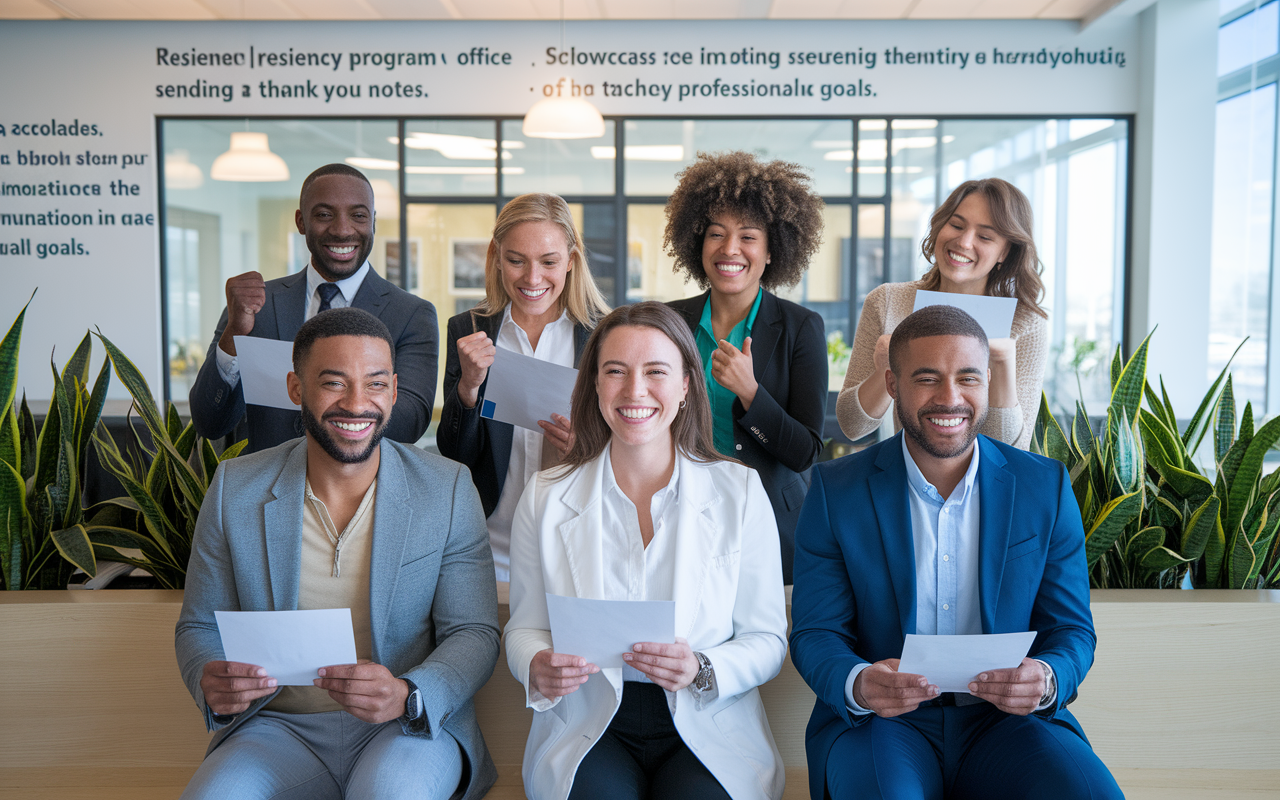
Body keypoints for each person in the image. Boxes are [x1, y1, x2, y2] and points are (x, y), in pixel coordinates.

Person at [789, 305, 1122, 800]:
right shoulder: (836, 490)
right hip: (883, 724)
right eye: (927, 378)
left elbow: (1071, 629)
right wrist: (860, 683)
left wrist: (1047, 678)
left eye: (968, 378)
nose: (950, 398)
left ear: (987, 381)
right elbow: (817, 633)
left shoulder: (1042, 486)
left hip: (1008, 723)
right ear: (894, 384)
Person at [176, 307, 499, 800]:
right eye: (332, 383)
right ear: (295, 389)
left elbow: (474, 632)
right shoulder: (234, 489)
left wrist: (408, 694)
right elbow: (200, 627)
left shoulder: (447, 489)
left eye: (374, 384)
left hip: (404, 729)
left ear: (392, 390)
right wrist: (209, 678)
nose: (356, 404)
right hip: (276, 729)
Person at [504, 302, 789, 800]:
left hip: (706, 721)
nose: (635, 391)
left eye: (656, 372)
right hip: (590, 723)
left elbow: (767, 639)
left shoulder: (739, 492)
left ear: (685, 385)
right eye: (616, 371)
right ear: (594, 384)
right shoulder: (546, 495)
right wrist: (536, 664)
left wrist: (702, 667)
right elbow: (524, 627)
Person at [189, 163, 438, 453]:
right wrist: (234, 335)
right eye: (324, 215)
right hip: (264, 490)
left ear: (373, 222)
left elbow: (408, 425)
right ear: (301, 222)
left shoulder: (410, 315)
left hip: (365, 495)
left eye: (358, 215)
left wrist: (321, 398)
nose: (342, 230)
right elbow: (209, 422)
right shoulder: (256, 306)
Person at [663, 151, 827, 583]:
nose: (729, 249)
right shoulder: (667, 321)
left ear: (773, 251)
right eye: (716, 234)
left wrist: (751, 393)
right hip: (677, 513)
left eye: (748, 237)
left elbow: (805, 451)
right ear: (697, 243)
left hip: (770, 521)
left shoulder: (800, 327)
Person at [438, 193, 609, 581]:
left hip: (577, 542)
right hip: (489, 546)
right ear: (497, 258)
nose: (532, 279)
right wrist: (467, 387)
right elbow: (456, 454)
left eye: (548, 262)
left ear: (570, 260)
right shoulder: (468, 329)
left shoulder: (605, 334)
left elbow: (633, 444)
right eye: (516, 261)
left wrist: (588, 447)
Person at [836, 177, 1048, 450]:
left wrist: (1002, 364)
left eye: (984, 236)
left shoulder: (1025, 322)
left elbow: (1010, 448)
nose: (964, 242)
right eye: (956, 225)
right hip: (909, 478)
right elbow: (852, 426)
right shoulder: (887, 301)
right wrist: (885, 369)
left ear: (1004, 252)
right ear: (939, 226)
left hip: (986, 488)